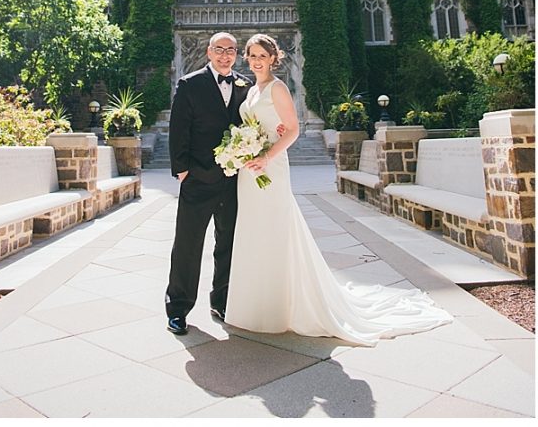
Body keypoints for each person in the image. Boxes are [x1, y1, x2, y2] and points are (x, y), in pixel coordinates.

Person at [224, 33, 453, 345]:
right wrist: (242, 148)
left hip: (271, 167)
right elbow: (260, 126)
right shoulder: (251, 90)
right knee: (254, 230)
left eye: (262, 55)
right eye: (252, 55)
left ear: (273, 58)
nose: (256, 61)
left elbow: (293, 129)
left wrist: (266, 156)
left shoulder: (278, 88)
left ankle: (281, 305)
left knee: (275, 228)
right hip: (250, 170)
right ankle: (256, 303)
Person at [165, 31, 252, 336]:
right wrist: (181, 170)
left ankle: (221, 301)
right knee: (187, 245)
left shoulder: (245, 86)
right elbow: (179, 128)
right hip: (198, 178)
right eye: (219, 49)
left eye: (230, 50)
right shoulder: (190, 83)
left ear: (236, 54)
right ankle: (178, 309)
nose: (225, 55)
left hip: (234, 181)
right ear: (209, 52)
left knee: (228, 244)